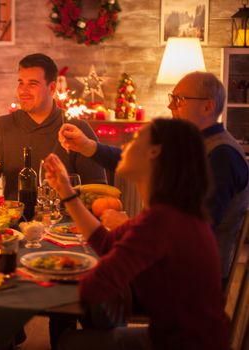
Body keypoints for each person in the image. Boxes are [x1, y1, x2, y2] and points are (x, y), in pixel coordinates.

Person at [44, 118, 230, 349]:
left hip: (183, 345)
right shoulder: (169, 212)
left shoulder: (162, 220)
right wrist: (65, 191)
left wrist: (40, 277)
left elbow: (94, 288)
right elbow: (105, 242)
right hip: (190, 339)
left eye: (133, 140)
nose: (123, 149)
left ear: (154, 152)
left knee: (71, 342)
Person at [59, 71, 249, 287]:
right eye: (172, 98)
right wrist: (88, 146)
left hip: (190, 279)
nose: (171, 107)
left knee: (87, 277)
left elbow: (193, 232)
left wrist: (130, 225)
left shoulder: (221, 155)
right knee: (81, 264)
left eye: (179, 100)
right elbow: (136, 161)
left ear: (207, 107)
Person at [0, 53, 106, 200]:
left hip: (66, 220)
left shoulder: (77, 129)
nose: (23, 91)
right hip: (14, 220)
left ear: (51, 88)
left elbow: (98, 190)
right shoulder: (1, 126)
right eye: (20, 82)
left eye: (32, 84)